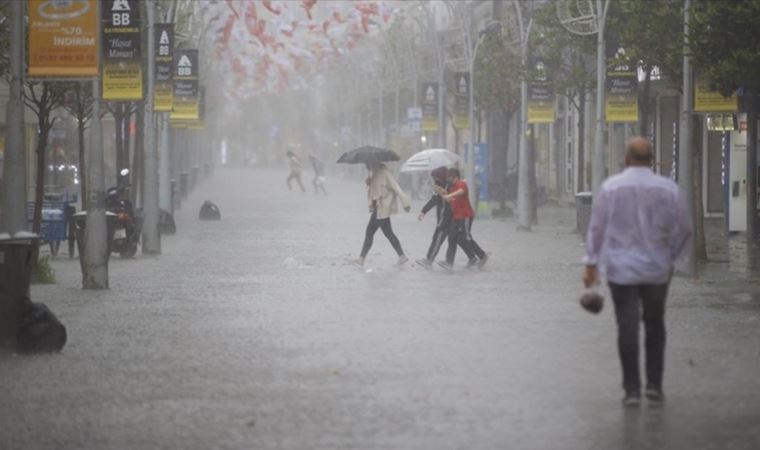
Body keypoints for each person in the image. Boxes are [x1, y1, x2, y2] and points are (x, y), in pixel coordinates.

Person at [583, 137, 692, 407]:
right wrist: (672, 258)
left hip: (621, 270)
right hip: (657, 269)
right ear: (652, 159)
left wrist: (591, 263)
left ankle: (632, 390)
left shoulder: (611, 188)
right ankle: (654, 385)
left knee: (627, 327)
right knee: (655, 324)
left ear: (626, 159)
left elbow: (596, 229)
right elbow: (685, 230)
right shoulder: (668, 189)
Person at [416, 167, 478, 269]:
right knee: (456, 239)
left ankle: (429, 260)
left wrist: (441, 191)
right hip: (446, 218)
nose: (434, 179)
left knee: (438, 239)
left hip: (448, 219)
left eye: (435, 177)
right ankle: (472, 257)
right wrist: (423, 211)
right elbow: (434, 200)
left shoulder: (449, 186)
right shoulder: (438, 185)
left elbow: (449, 200)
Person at [355, 162, 411, 267]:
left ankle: (361, 258)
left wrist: (405, 203)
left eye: (368, 164)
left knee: (369, 232)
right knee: (388, 233)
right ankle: (402, 256)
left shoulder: (385, 173)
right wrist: (368, 183)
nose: (367, 167)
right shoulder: (373, 173)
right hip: (378, 208)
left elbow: (396, 187)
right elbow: (373, 191)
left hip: (382, 208)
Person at [437, 168, 488, 271]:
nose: (449, 180)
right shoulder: (451, 188)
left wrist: (449, 195)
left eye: (451, 178)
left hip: (465, 216)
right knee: (452, 237)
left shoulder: (461, 184)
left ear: (455, 177)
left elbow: (461, 192)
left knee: (466, 237)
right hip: (456, 217)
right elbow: (450, 199)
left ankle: (482, 256)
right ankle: (449, 262)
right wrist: (442, 193)